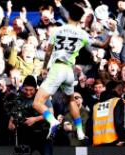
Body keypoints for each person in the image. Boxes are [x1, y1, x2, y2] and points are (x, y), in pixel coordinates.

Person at [33, 3, 91, 140]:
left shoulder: (56, 31)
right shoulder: (83, 34)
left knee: (37, 102)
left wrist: (44, 67)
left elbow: (48, 52)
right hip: (69, 72)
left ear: (69, 15)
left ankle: (52, 121)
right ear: (80, 18)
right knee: (71, 101)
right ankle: (80, 131)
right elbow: (100, 45)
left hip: (57, 68)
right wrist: (111, 32)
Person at [8, 75, 63, 155]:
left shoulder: (42, 97)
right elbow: (12, 118)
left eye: (31, 90)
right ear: (23, 88)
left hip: (43, 136)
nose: (28, 92)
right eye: (26, 89)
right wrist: (11, 124)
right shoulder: (18, 98)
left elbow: (51, 113)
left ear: (35, 88)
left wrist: (35, 119)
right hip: (25, 137)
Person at [92, 80, 125, 146]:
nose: (122, 91)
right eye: (119, 88)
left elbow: (90, 123)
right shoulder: (117, 101)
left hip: (97, 142)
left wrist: (92, 140)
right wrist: (122, 138)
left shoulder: (96, 105)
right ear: (114, 89)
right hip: (113, 140)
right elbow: (118, 121)